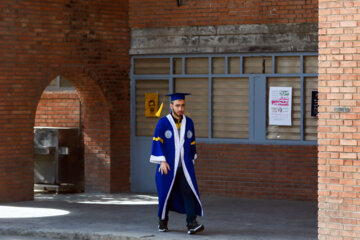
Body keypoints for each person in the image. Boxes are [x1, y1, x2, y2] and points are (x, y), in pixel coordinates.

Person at [149, 93, 204, 235]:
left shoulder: (189, 122)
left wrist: (191, 161)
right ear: (171, 106)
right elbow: (157, 142)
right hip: (167, 167)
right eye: (177, 105)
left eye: (182, 105)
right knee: (165, 194)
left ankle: (191, 223)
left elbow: (192, 144)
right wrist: (162, 161)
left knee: (188, 193)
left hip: (184, 167)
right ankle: (162, 221)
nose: (180, 108)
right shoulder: (163, 123)